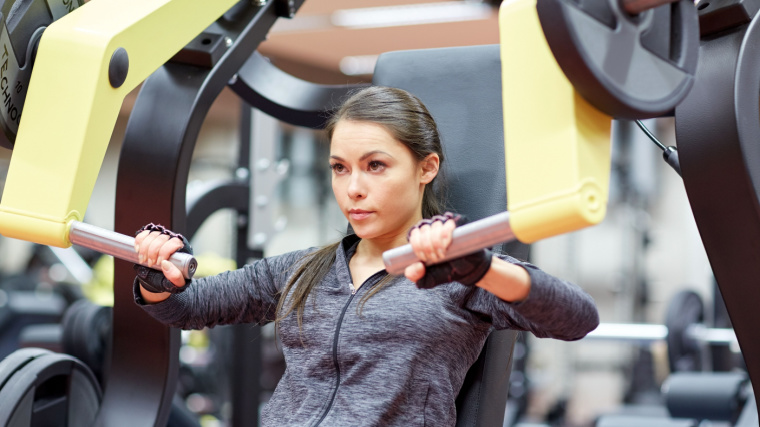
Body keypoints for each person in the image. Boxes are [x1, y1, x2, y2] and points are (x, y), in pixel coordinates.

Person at [132, 86, 599, 427]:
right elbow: (189, 305)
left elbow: (577, 317)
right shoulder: (304, 269)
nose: (353, 188)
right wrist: (160, 278)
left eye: (375, 166)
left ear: (426, 168)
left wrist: (483, 268)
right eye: (340, 168)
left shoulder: (459, 270)